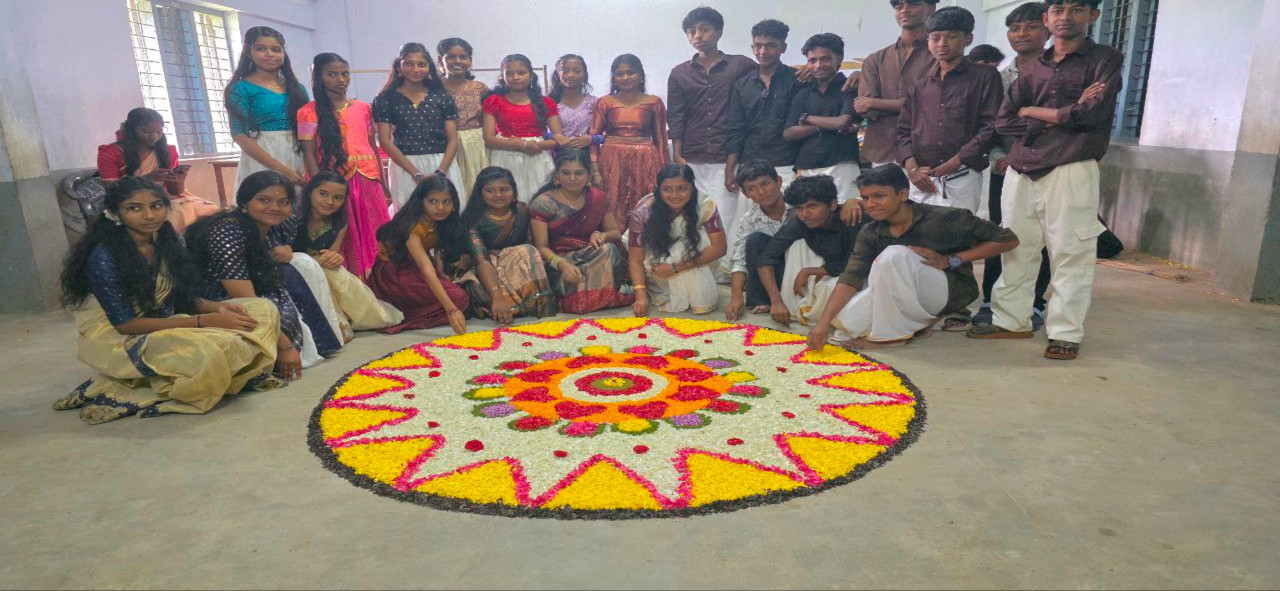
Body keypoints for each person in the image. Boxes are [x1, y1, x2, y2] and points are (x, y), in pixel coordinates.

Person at [53, 177, 281, 425]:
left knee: (262, 309)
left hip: (167, 320)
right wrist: (205, 321)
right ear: (114, 213)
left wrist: (218, 307)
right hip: (120, 335)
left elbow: (182, 299)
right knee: (207, 351)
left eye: (156, 205)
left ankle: (198, 376)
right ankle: (127, 386)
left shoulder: (170, 242)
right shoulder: (105, 256)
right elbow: (125, 325)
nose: (149, 215)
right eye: (134, 208)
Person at [968, 0, 1124, 361]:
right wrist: (1060, 115)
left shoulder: (1104, 58)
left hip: (1071, 166)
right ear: (1047, 18)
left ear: (1093, 16)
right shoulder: (1034, 66)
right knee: (1017, 246)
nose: (1065, 17)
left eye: (1076, 9)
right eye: (1058, 10)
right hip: (1022, 168)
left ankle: (1065, 332)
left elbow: (1093, 112)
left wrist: (1032, 110)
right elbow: (1005, 122)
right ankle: (1011, 320)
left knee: (1071, 252)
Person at [805, 165, 1019, 350]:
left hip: (950, 290)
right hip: (906, 292)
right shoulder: (871, 231)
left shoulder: (945, 217)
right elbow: (850, 278)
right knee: (844, 324)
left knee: (893, 254)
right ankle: (920, 322)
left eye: (879, 196)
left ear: (903, 195)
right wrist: (822, 323)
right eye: (865, 198)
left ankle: (890, 338)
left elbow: (1008, 240)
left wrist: (953, 259)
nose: (870, 204)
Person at [186, 171, 333, 381]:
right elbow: (247, 301)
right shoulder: (227, 230)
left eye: (283, 202)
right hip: (215, 297)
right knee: (273, 306)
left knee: (296, 270)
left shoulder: (281, 222)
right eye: (264, 200)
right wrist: (285, 346)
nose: (274, 207)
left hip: (251, 285)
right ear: (244, 203)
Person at [976, 2, 1052, 328]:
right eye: (1014, 28)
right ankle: (991, 300)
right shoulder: (999, 78)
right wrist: (997, 160)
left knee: (1042, 239)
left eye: (1031, 27)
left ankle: (1033, 302)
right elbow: (990, 126)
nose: (1021, 34)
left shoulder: (1059, 74)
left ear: (1047, 28)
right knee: (1000, 234)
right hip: (1005, 170)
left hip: (1050, 168)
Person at [896, 6, 1003, 215]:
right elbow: (903, 131)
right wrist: (912, 169)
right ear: (928, 42)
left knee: (957, 239)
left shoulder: (985, 76)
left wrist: (956, 160)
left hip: (963, 174)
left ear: (968, 39)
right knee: (917, 242)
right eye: (935, 38)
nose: (942, 44)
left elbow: (992, 126)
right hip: (921, 178)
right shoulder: (920, 85)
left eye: (952, 37)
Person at [668, 6, 757, 243]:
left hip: (728, 155)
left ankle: (724, 271)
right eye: (691, 31)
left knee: (726, 214)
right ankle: (699, 265)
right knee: (694, 214)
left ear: (719, 32)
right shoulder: (679, 73)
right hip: (691, 155)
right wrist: (677, 156)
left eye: (704, 29)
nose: (698, 36)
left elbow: (768, 78)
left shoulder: (741, 66)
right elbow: (675, 116)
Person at [299, 52, 392, 278]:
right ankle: (354, 280)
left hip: (368, 178)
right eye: (332, 74)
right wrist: (319, 186)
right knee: (346, 232)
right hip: (336, 182)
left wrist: (382, 179)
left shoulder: (362, 107)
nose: (341, 79)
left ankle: (382, 279)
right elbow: (309, 153)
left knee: (376, 230)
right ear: (319, 77)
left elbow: (373, 145)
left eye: (344, 74)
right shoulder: (308, 112)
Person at [275, 172, 404, 334]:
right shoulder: (292, 218)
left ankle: (353, 318)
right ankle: (335, 324)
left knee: (336, 272)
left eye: (338, 197)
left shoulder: (339, 221)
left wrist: (335, 258)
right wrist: (316, 260)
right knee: (325, 273)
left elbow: (331, 255)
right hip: (291, 272)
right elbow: (282, 257)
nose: (330, 202)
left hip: (323, 270)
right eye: (323, 194)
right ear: (309, 192)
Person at [530, 149, 634, 314]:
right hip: (560, 262)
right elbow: (541, 248)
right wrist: (563, 265)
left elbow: (615, 233)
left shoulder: (598, 197)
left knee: (609, 249)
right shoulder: (544, 203)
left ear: (588, 176)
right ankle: (592, 297)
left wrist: (601, 235)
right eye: (566, 173)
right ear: (557, 175)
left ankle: (595, 296)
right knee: (574, 272)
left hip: (590, 255)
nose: (572, 178)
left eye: (579, 173)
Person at [757, 175, 867, 327]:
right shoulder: (800, 222)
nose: (805, 214)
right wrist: (776, 301)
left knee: (832, 292)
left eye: (813, 206)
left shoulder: (852, 218)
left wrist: (808, 271)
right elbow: (765, 258)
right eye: (799, 208)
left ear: (833, 205)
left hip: (863, 277)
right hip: (833, 271)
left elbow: (855, 265)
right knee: (795, 245)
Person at [367, 176, 470, 335]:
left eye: (447, 202)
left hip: (416, 268)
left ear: (454, 204)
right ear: (421, 202)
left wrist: (441, 275)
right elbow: (425, 267)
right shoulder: (413, 226)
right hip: (393, 275)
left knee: (461, 298)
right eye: (433, 201)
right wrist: (451, 310)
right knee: (458, 300)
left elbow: (435, 252)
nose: (440, 207)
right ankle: (400, 316)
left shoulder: (443, 221)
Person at [454, 167, 558, 325]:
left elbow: (530, 245)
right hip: (486, 270)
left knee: (527, 251)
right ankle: (511, 304)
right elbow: (481, 260)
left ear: (513, 190)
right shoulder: (473, 220)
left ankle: (533, 302)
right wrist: (497, 296)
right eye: (490, 190)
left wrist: (505, 254)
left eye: (504, 189)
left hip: (517, 266)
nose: (498, 195)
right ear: (480, 193)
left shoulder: (521, 210)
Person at [97, 108, 220, 233]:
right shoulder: (110, 152)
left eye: (159, 132)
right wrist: (147, 179)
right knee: (175, 216)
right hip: (130, 201)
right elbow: (112, 190)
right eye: (147, 132)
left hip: (165, 197)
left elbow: (175, 191)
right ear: (131, 130)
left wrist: (178, 180)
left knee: (209, 210)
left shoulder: (168, 151)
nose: (154, 136)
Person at [373, 42, 463, 213]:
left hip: (441, 163)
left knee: (446, 213)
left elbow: (453, 139)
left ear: (429, 68)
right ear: (399, 67)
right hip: (405, 165)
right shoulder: (385, 99)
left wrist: (440, 172)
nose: (415, 69)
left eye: (421, 64)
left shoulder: (442, 97)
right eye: (408, 63)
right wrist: (416, 174)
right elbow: (385, 141)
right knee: (410, 216)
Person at [628, 164, 727, 315]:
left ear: (692, 188)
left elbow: (719, 248)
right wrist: (641, 296)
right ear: (658, 190)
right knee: (678, 250)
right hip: (656, 262)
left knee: (693, 243)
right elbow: (635, 259)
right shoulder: (643, 211)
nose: (675, 195)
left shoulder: (705, 204)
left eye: (682, 188)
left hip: (691, 258)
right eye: (667, 189)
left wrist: (675, 269)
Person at [855, 0, 940, 167]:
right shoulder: (876, 59)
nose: (904, 10)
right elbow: (866, 110)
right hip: (882, 149)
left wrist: (876, 103)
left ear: (931, 8)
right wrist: (908, 105)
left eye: (913, 4)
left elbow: (933, 105)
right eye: (898, 6)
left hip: (924, 151)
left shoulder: (939, 57)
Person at [589, 54, 670, 229]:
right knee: (612, 204)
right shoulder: (605, 102)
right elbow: (593, 139)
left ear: (641, 75)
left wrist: (665, 174)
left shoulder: (654, 102)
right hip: (612, 161)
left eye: (630, 72)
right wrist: (595, 171)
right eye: (619, 74)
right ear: (614, 78)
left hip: (646, 161)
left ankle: (643, 250)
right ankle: (615, 250)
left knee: (644, 205)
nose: (625, 77)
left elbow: (661, 140)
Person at [224, 26, 309, 187]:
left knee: (300, 208)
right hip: (261, 158)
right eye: (261, 49)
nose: (270, 54)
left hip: (298, 154)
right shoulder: (240, 88)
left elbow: (308, 130)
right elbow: (239, 135)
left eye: (276, 49)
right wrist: (283, 170)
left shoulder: (298, 89)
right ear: (248, 52)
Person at [725, 19, 800, 199]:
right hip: (749, 166)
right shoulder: (742, 85)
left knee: (786, 220)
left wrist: (801, 168)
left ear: (784, 47)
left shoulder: (797, 81)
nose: (763, 52)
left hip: (786, 164)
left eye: (771, 46)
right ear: (752, 48)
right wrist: (729, 169)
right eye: (758, 46)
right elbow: (735, 129)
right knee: (749, 223)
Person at [784, 33, 861, 204]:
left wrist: (807, 117)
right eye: (812, 60)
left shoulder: (849, 88)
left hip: (842, 164)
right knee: (809, 218)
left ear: (839, 59)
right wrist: (823, 125)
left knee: (848, 216)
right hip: (807, 166)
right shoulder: (803, 93)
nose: (818, 65)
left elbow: (842, 122)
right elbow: (788, 133)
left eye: (825, 59)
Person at [483, 54, 568, 204]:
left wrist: (538, 146)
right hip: (505, 155)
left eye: (521, 73)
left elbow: (559, 137)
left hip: (537, 156)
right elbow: (489, 139)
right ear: (502, 76)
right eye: (509, 73)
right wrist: (522, 145)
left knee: (538, 200)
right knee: (506, 200)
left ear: (531, 75)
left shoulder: (545, 102)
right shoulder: (494, 101)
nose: (515, 77)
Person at [725, 160, 793, 321]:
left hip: (799, 267)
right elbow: (739, 260)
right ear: (745, 194)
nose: (761, 192)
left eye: (765, 184)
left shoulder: (798, 204)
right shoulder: (749, 220)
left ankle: (788, 298)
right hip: (771, 270)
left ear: (779, 181)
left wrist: (850, 202)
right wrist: (736, 297)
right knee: (755, 241)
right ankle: (763, 300)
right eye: (751, 188)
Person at [438, 38, 490, 196]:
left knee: (476, 190)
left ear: (470, 61)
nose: (457, 61)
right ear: (441, 60)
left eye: (463, 57)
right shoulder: (433, 88)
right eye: (451, 57)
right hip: (444, 146)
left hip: (477, 146)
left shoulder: (480, 88)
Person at [549, 54, 599, 150]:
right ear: (558, 74)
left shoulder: (594, 102)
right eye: (565, 71)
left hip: (587, 156)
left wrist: (591, 139)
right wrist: (553, 135)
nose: (571, 75)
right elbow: (539, 132)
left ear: (584, 75)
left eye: (576, 71)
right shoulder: (549, 102)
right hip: (558, 155)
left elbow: (605, 133)